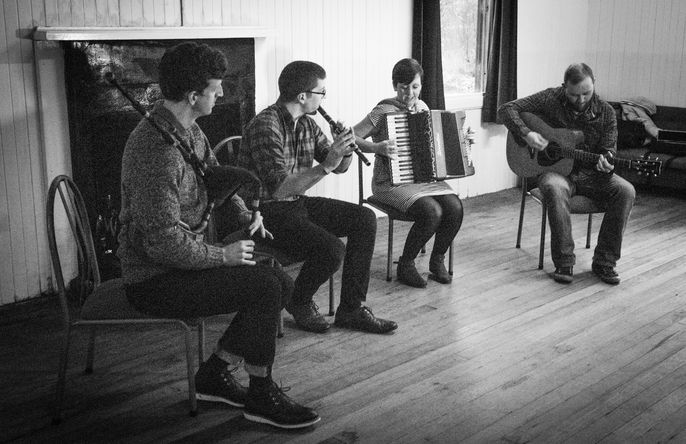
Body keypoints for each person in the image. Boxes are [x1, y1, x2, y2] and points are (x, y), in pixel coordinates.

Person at [118, 42, 319, 429]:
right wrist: (222, 256)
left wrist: (246, 215)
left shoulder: (188, 131)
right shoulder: (156, 152)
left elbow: (215, 182)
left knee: (278, 280)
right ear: (193, 96)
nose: (223, 92)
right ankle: (260, 395)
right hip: (154, 278)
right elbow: (161, 243)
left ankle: (215, 374)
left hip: (185, 261)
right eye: (216, 87)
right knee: (264, 287)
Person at [237, 60, 398, 335]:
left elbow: (340, 167)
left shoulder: (307, 125)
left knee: (364, 218)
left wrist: (345, 149)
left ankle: (351, 309)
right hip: (264, 213)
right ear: (303, 96)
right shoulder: (266, 125)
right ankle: (298, 300)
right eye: (321, 92)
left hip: (295, 203)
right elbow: (279, 189)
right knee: (332, 249)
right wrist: (327, 164)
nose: (324, 98)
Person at [498, 62, 636, 285]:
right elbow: (506, 109)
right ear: (564, 88)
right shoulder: (550, 98)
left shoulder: (606, 112)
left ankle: (605, 262)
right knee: (554, 187)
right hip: (556, 172)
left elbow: (609, 149)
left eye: (586, 93)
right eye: (574, 95)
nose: (581, 100)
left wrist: (607, 160)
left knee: (626, 191)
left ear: (594, 84)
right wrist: (526, 134)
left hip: (592, 175)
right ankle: (564, 262)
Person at [352, 58, 464, 288]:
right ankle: (406, 265)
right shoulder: (383, 111)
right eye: (404, 87)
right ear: (395, 86)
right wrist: (376, 147)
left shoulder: (422, 108)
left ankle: (437, 260)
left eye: (415, 87)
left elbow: (437, 147)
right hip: (389, 184)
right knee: (432, 212)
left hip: (422, 181)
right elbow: (350, 136)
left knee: (455, 207)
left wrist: (463, 141)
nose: (410, 94)